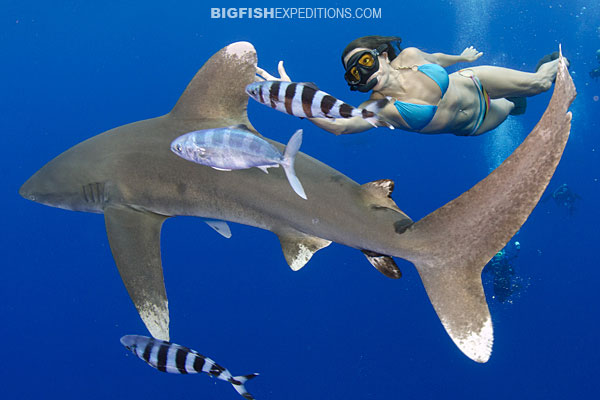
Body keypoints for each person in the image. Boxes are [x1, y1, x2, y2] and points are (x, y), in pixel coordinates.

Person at [257, 36, 563, 136]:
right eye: (355, 74)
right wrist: (293, 100)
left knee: (541, 83)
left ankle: (564, 63)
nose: (365, 75)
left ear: (381, 55)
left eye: (365, 62)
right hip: (476, 122)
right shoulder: (379, 107)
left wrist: (461, 57)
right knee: (512, 106)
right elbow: (341, 127)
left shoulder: (411, 56)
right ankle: (512, 102)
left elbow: (438, 59)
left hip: (474, 80)